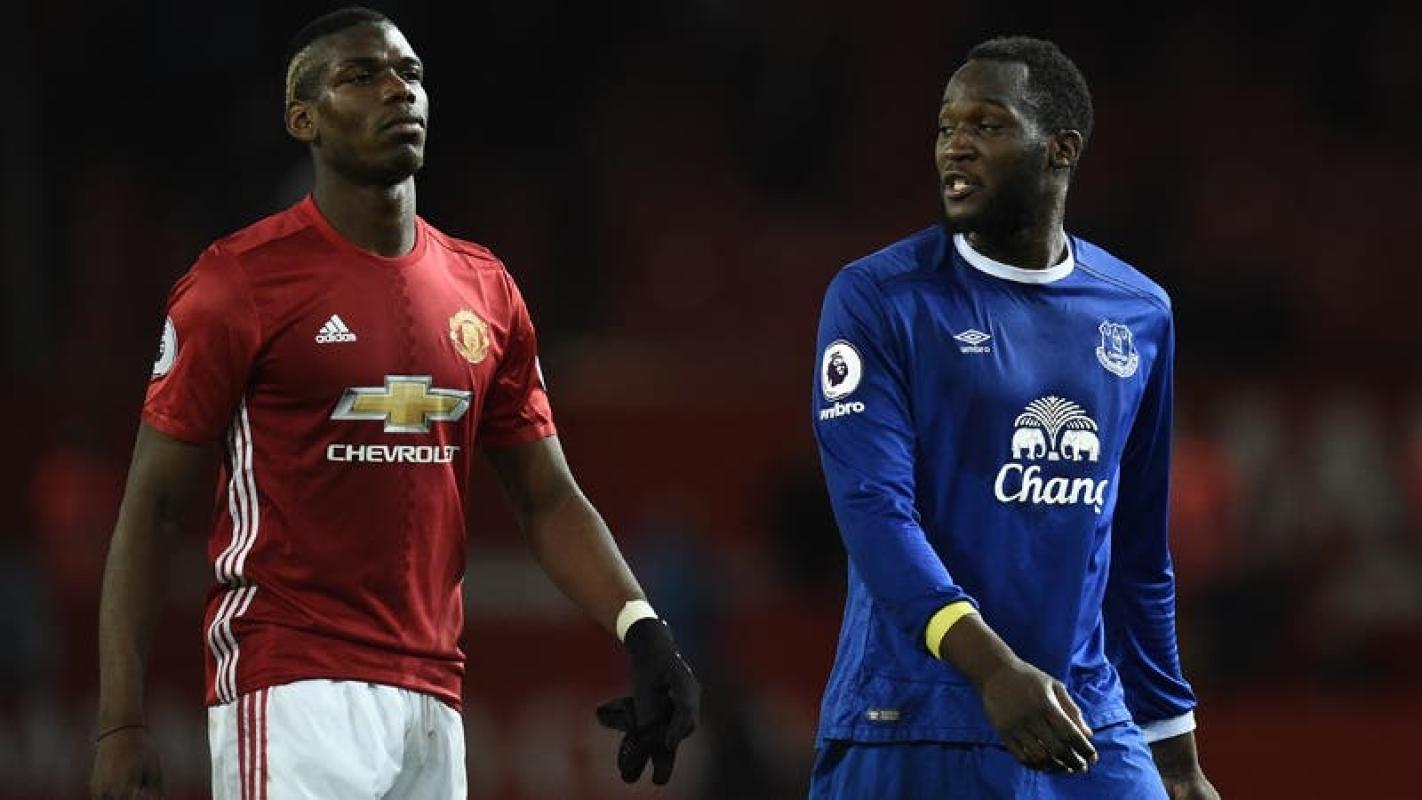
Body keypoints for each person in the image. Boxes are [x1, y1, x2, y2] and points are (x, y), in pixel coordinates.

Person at [90, 7, 698, 798]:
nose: (397, 90)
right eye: (361, 75)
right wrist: (120, 720)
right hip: (292, 684)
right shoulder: (236, 284)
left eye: (410, 73)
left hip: (433, 700)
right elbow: (152, 503)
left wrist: (642, 629)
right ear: (302, 119)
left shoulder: (484, 291)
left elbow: (547, 498)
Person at [809, 36, 1219, 799]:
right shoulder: (878, 299)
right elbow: (874, 513)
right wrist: (994, 669)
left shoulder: (1139, 313)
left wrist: (1173, 753)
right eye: (945, 126)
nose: (955, 146)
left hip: (1086, 721)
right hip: (914, 717)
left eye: (987, 125)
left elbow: (1137, 550)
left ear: (1061, 148)